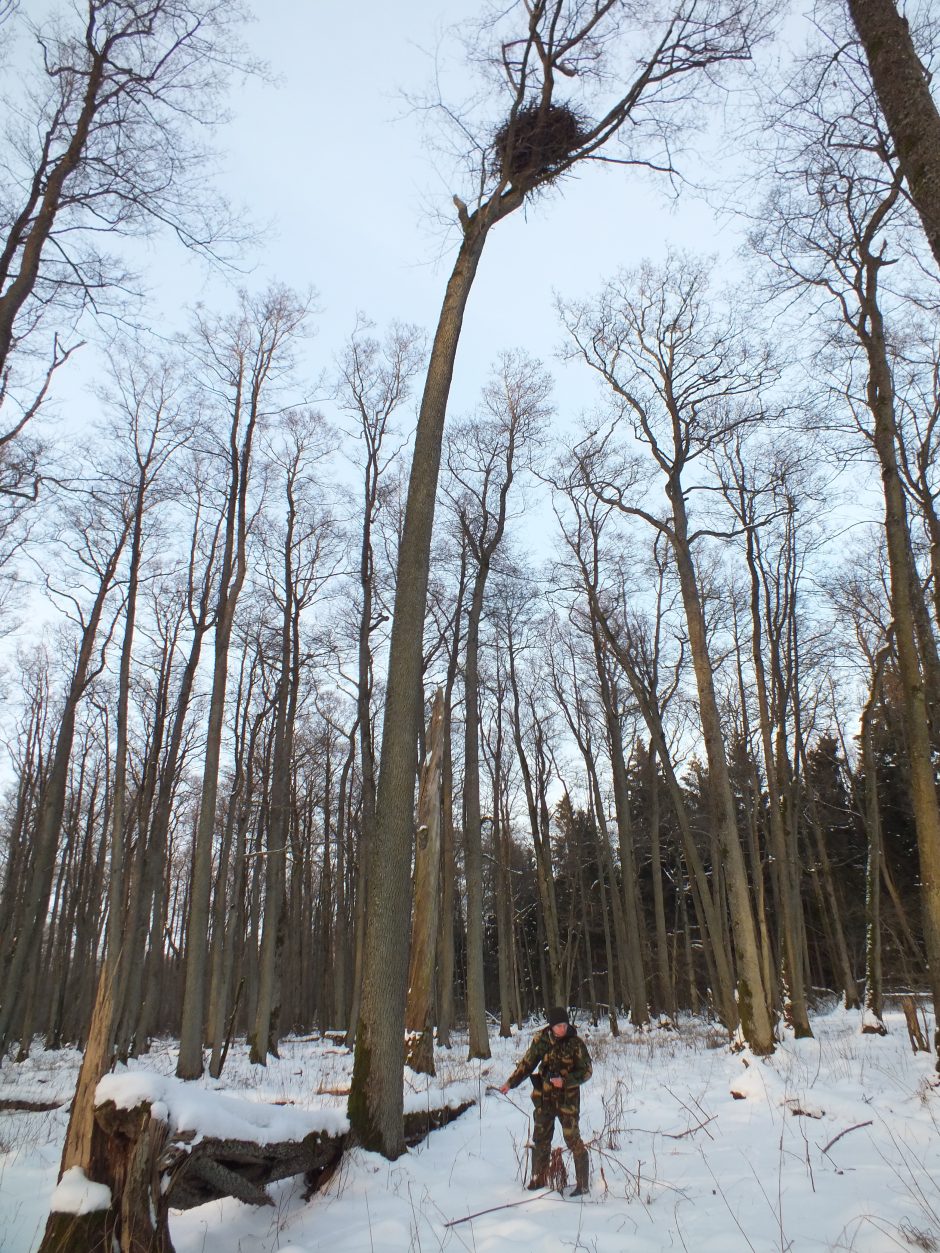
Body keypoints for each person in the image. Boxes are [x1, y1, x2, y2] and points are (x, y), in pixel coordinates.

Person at [499, 1006, 592, 1195]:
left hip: (568, 1100)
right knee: (541, 1139)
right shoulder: (541, 1040)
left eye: (564, 1025)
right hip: (544, 1099)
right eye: (558, 1026)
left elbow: (587, 1071)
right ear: (551, 1026)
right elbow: (527, 1063)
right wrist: (511, 1082)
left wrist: (566, 1081)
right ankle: (538, 1180)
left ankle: (582, 1185)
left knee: (573, 1139)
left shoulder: (575, 1043)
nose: (562, 1029)